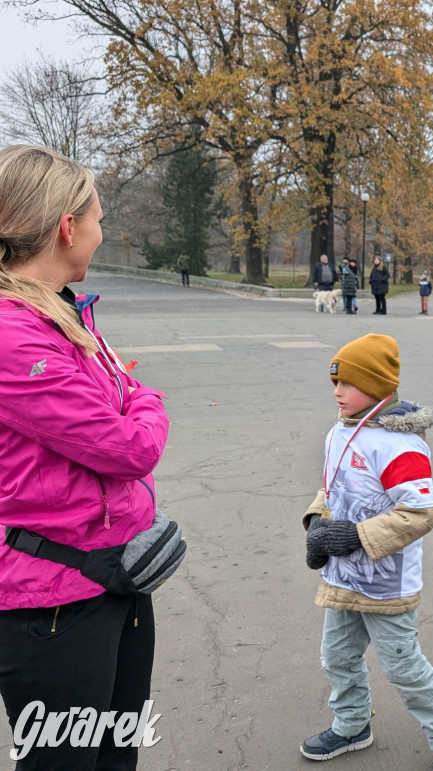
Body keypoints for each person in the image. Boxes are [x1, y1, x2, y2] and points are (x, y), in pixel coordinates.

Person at [0, 144, 170, 768]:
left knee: (115, 758)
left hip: (115, 573)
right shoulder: (13, 334)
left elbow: (124, 394)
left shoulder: (62, 313)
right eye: (98, 218)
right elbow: (130, 444)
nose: (103, 232)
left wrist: (134, 396)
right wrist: (146, 402)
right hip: (53, 602)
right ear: (67, 227)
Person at [298, 334, 433, 770]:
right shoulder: (339, 431)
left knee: (403, 667)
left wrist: (351, 537)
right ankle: (353, 724)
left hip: (386, 583)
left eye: (347, 384)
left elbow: (419, 514)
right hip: (343, 577)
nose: (336, 392)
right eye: (334, 382)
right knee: (337, 656)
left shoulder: (401, 445)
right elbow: (330, 487)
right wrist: (318, 522)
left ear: (377, 387)